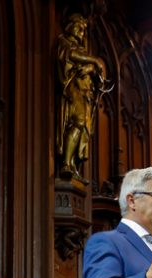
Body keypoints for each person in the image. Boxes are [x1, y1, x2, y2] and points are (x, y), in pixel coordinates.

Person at [56, 14, 106, 179]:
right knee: (77, 122)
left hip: (86, 93)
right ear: (70, 25)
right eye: (79, 27)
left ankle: (72, 165)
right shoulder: (64, 42)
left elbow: (98, 73)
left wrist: (91, 68)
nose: (82, 33)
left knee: (84, 127)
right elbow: (70, 55)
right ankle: (65, 163)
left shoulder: (82, 50)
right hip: (74, 88)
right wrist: (94, 61)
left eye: (84, 30)